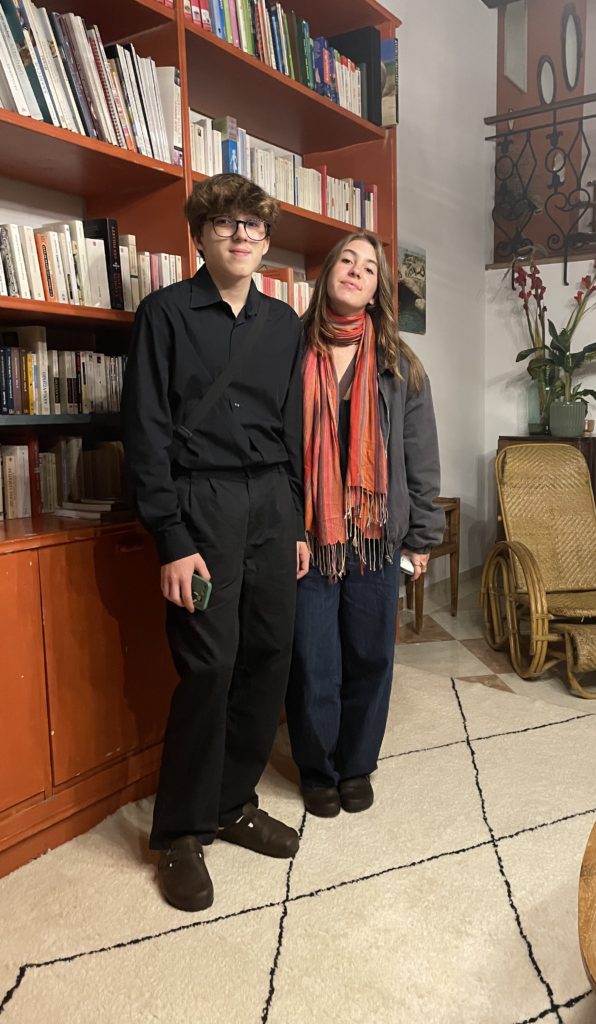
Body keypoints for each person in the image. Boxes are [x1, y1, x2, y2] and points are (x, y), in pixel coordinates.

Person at [121, 173, 310, 912]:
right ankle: (179, 833)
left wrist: (296, 523)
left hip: (271, 508)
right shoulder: (164, 314)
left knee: (268, 657)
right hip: (201, 504)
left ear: (265, 242)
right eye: (225, 223)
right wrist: (170, 538)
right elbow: (145, 433)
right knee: (209, 667)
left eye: (253, 226)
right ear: (200, 235)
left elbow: (291, 432)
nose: (240, 235)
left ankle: (233, 803)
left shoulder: (283, 324)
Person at [285, 230, 443, 818]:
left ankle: (356, 766)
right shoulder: (291, 351)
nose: (355, 271)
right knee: (312, 660)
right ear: (327, 273)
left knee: (370, 657)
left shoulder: (401, 365)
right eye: (346, 261)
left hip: (376, 538)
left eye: (368, 268)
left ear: (377, 290)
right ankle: (317, 768)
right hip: (311, 536)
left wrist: (422, 537)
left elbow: (420, 457)